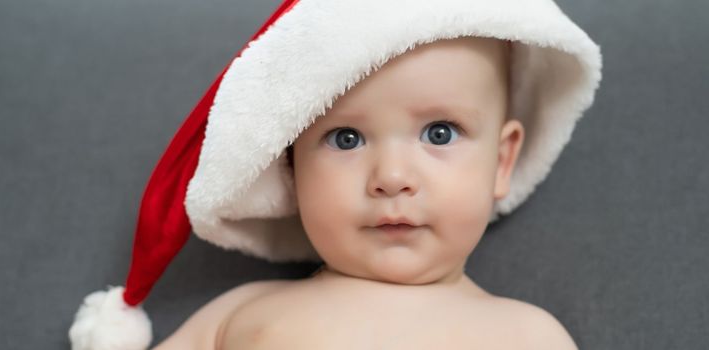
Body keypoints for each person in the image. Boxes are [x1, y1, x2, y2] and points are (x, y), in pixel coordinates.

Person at [69, 1, 602, 349]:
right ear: (292, 170)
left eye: (440, 133)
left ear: (502, 162)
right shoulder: (244, 313)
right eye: (346, 139)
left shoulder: (526, 336)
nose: (392, 177)